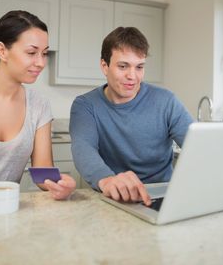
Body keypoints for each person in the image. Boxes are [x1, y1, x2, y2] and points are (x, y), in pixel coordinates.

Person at [70, 27, 193, 206]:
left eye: (139, 67)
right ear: (105, 66)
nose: (132, 76)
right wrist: (107, 180)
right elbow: (83, 149)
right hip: (115, 196)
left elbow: (196, 146)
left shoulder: (166, 101)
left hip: (163, 197)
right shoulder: (86, 106)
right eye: (123, 66)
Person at [0, 10, 76, 200]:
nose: (41, 62)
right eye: (31, 52)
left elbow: (43, 172)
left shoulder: (38, 105)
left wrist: (61, 183)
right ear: (2, 51)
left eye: (44, 53)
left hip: (6, 210)